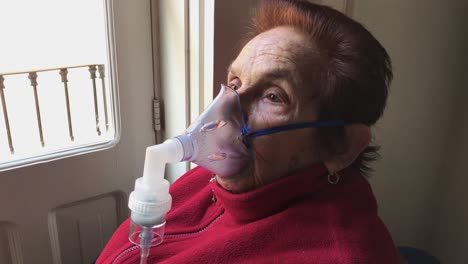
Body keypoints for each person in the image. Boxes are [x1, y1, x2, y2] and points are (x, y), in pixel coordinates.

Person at [97, 0, 399, 263]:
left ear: (342, 147)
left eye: (273, 96)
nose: (224, 111)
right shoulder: (225, 175)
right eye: (235, 84)